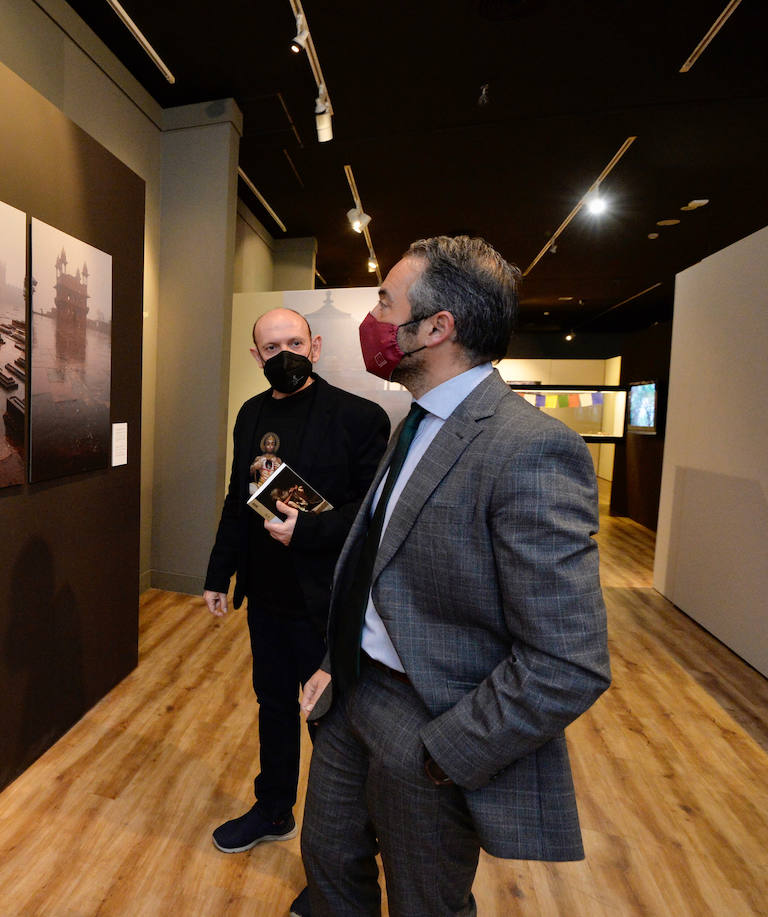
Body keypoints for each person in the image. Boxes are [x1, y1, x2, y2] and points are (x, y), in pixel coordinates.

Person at [298, 236, 611, 917]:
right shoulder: (411, 424)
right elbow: (376, 566)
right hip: (352, 694)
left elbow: (569, 660)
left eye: (386, 301)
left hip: (431, 725)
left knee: (425, 902)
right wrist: (335, 660)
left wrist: (443, 752)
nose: (373, 319)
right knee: (328, 866)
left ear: (437, 328)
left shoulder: (529, 448)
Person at [204, 308, 389, 917]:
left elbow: (372, 515)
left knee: (334, 731)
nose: (284, 352)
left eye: (293, 341)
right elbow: (239, 497)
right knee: (274, 705)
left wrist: (307, 532)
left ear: (313, 343)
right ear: (256, 357)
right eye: (270, 345)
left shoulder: (359, 417)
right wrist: (218, 573)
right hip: (269, 597)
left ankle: (339, 869)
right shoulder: (250, 414)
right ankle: (274, 807)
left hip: (328, 599)